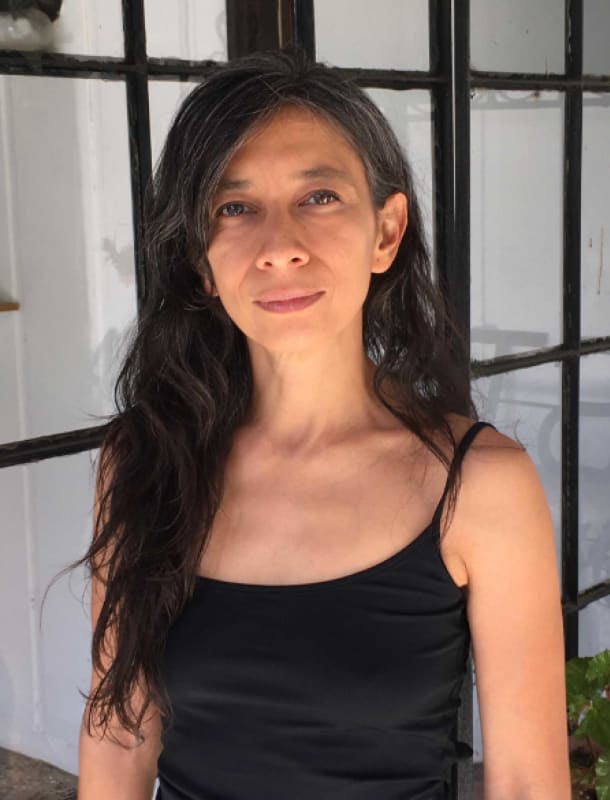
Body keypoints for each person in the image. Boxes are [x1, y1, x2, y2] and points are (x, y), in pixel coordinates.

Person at [76, 47, 571, 799]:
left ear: (386, 230)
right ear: (202, 262)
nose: (280, 248)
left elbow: (530, 783)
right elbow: (120, 741)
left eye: (319, 197)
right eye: (234, 207)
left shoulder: (480, 485)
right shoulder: (145, 460)